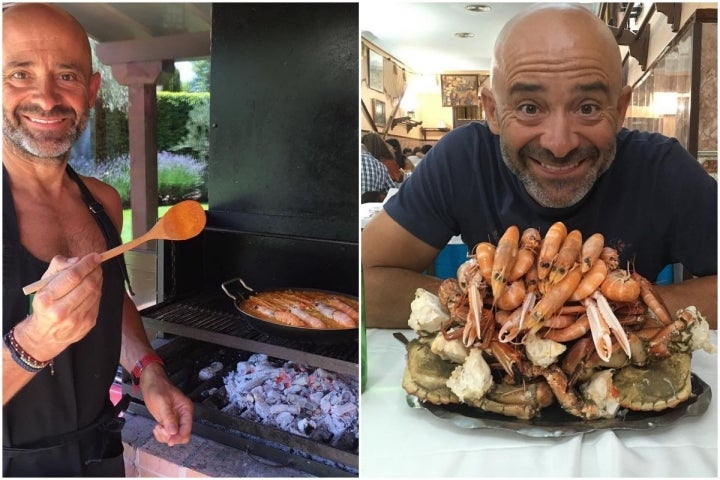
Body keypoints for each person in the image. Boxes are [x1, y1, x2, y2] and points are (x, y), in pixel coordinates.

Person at [362, 3, 717, 330]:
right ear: (492, 110)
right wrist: (485, 307)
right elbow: (364, 278)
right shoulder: (462, 158)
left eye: (588, 107)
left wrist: (623, 312)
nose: (559, 144)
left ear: (621, 109)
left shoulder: (662, 169)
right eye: (530, 108)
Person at [2, 4, 193, 476]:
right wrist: (32, 342)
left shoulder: (102, 201)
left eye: (66, 76)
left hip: (99, 454)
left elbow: (109, 294)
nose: (46, 99)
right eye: (20, 74)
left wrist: (148, 369)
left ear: (91, 92)